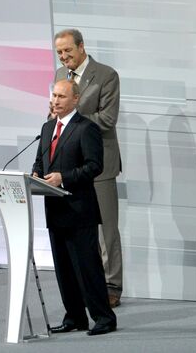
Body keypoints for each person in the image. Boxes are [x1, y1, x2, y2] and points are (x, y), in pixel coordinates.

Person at [32, 80, 116, 336]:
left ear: (75, 99)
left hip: (80, 211)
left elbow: (94, 166)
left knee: (87, 268)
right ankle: (75, 317)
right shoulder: (47, 128)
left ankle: (104, 318)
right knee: (64, 270)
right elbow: (40, 161)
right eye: (53, 95)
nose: (55, 101)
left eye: (61, 96)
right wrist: (36, 175)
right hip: (55, 210)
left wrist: (63, 177)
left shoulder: (85, 128)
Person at [52, 29, 123, 307]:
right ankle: (87, 286)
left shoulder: (106, 75)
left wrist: (73, 117)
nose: (64, 57)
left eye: (68, 51)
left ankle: (112, 286)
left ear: (81, 47)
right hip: (70, 169)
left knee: (107, 232)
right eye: (59, 52)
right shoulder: (60, 75)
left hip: (101, 165)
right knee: (81, 231)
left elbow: (107, 119)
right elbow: (56, 116)